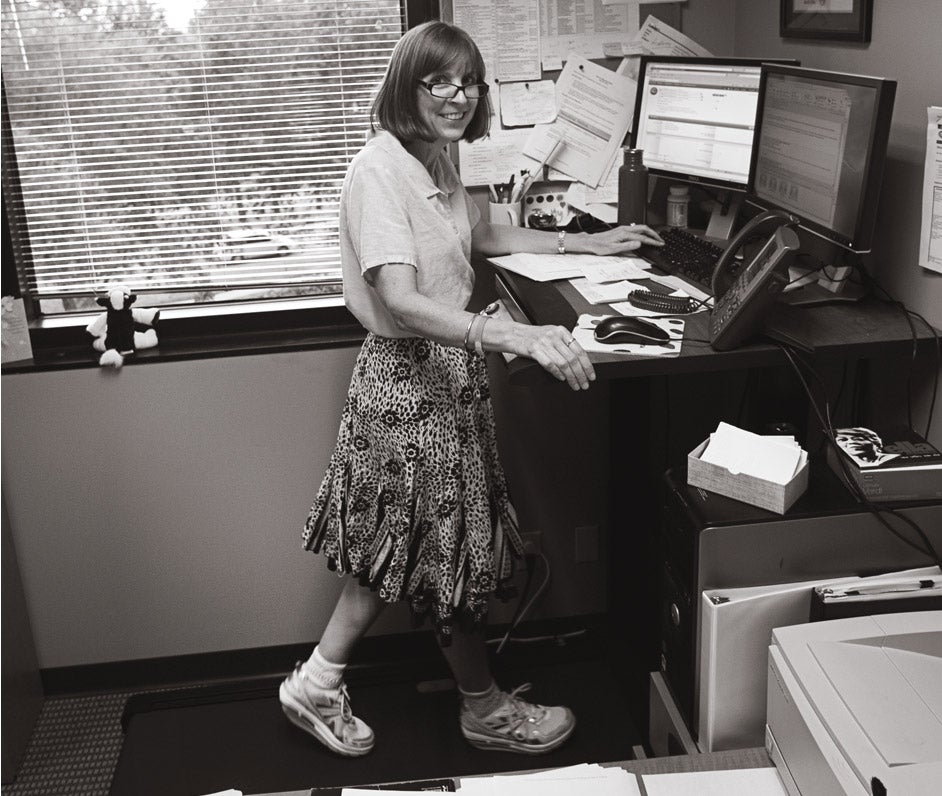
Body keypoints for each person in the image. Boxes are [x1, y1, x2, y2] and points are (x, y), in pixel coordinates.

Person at [279, 20, 664, 758]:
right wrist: (511, 334)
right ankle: (483, 708)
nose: (458, 96)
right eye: (439, 82)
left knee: (395, 550)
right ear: (408, 87)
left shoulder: (434, 157)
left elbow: (478, 236)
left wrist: (582, 241)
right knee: (449, 557)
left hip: (440, 377)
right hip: (408, 388)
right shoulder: (379, 170)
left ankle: (317, 684)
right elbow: (400, 299)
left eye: (469, 82)